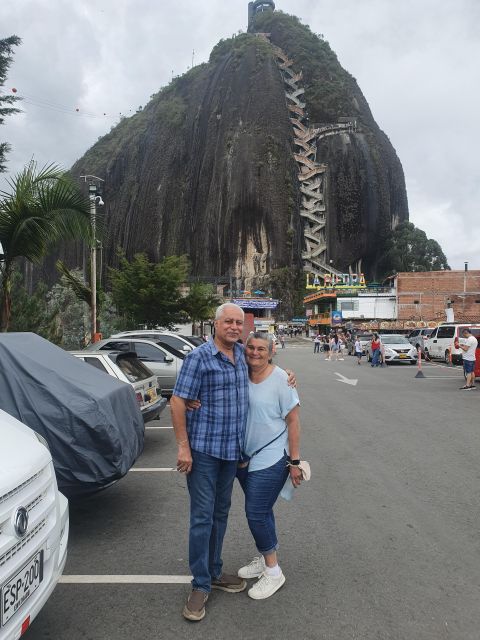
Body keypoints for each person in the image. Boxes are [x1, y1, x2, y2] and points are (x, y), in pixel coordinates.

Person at [170, 303, 295, 622]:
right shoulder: (198, 358)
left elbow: (267, 368)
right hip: (202, 452)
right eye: (229, 322)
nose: (235, 327)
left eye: (239, 323)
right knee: (202, 517)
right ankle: (200, 584)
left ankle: (213, 571)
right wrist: (183, 447)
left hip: (231, 454)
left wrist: (288, 376)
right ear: (216, 324)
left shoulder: (242, 356)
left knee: (220, 514)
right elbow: (178, 401)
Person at [236, 332, 302, 600]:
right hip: (243, 456)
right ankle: (265, 559)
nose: (254, 352)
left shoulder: (281, 380)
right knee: (262, 511)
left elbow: (294, 421)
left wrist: (295, 462)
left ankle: (273, 572)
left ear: (271, 351)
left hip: (272, 455)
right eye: (250, 347)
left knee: (255, 512)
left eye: (261, 349)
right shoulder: (241, 372)